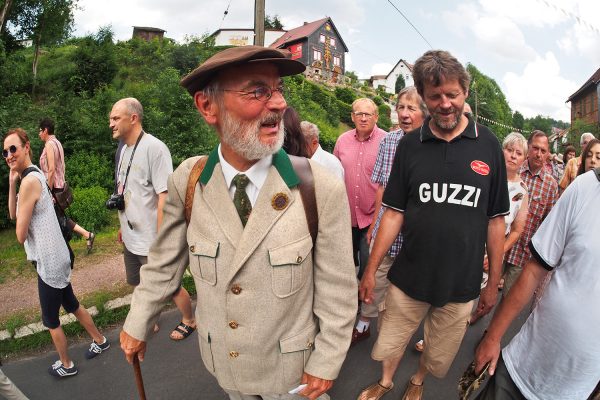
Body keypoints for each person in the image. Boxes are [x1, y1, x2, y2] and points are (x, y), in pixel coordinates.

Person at [119, 46, 357, 400]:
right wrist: (138, 320)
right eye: (258, 91)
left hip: (294, 375)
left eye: (278, 90)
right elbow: (164, 264)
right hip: (226, 365)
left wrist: (326, 360)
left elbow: (338, 290)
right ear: (207, 107)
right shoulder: (189, 179)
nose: (278, 104)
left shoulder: (318, 187)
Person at [357, 50, 509, 400]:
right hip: (409, 276)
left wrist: (494, 282)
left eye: (452, 95)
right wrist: (370, 269)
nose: (444, 104)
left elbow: (496, 219)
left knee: (437, 348)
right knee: (391, 339)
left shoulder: (487, 145)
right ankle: (385, 381)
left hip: (460, 284)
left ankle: (418, 381)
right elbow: (393, 212)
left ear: (465, 93)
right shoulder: (410, 146)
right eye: (435, 96)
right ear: (423, 97)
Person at [474, 166, 600, 400]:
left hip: (575, 390)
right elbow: (534, 270)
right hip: (519, 370)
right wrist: (492, 337)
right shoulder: (585, 188)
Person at [4, 128, 110, 378]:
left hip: (49, 261)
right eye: (5, 151)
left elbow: (19, 235)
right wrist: (11, 184)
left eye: (13, 149)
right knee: (71, 303)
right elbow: (13, 215)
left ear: (26, 146)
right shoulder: (33, 175)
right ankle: (100, 339)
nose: (8, 155)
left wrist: (20, 199)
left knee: (50, 319)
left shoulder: (30, 181)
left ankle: (67, 365)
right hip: (57, 255)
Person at [108, 98, 196, 341]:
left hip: (151, 237)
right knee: (137, 283)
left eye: (116, 118)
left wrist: (161, 238)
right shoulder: (123, 150)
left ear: (133, 118)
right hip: (130, 235)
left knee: (170, 285)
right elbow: (124, 190)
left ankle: (189, 319)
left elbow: (164, 196)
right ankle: (149, 319)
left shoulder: (155, 148)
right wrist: (121, 225)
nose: (111, 124)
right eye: (111, 119)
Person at [352, 86, 427, 346]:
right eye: (400, 108)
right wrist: (374, 225)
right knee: (374, 277)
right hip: (386, 228)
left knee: (403, 291)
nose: (404, 114)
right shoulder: (389, 141)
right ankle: (364, 323)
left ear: (424, 113)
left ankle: (392, 336)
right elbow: (381, 187)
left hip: (415, 234)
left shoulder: (432, 146)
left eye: (411, 108)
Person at [334, 98, 386, 279]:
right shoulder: (342, 141)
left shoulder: (386, 142)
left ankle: (363, 303)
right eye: (359, 114)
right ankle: (347, 302)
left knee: (368, 267)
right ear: (352, 117)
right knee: (343, 266)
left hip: (372, 218)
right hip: (345, 216)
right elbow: (335, 174)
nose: (363, 118)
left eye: (368, 114)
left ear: (376, 117)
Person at [503, 130, 558, 297]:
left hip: (522, 253)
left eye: (543, 150)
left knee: (507, 299)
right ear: (529, 147)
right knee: (481, 290)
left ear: (548, 154)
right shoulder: (512, 167)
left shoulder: (550, 185)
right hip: (497, 244)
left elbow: (548, 223)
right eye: (535, 148)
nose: (539, 154)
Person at [38, 118, 95, 253]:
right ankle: (86, 235)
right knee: (58, 217)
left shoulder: (49, 145)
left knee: (56, 218)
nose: (39, 134)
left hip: (54, 187)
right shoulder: (57, 143)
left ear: (46, 130)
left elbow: (51, 169)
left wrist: (48, 191)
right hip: (60, 184)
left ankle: (84, 236)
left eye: (40, 131)